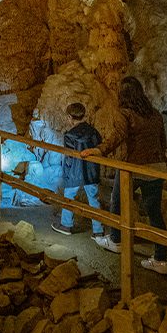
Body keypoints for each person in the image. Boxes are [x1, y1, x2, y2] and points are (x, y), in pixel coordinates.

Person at [82, 77, 167, 274]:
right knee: (154, 212)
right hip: (157, 167)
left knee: (117, 202)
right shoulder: (154, 114)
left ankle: (116, 239)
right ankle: (161, 259)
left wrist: (99, 150)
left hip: (134, 167)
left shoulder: (125, 113)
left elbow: (117, 136)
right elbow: (162, 141)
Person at [55, 102, 105, 240]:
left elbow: (70, 156)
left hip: (74, 172)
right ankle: (98, 231)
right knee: (94, 199)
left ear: (70, 117)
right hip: (91, 171)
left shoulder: (69, 136)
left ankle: (66, 225)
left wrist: (66, 172)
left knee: (69, 197)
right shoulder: (93, 132)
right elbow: (99, 147)